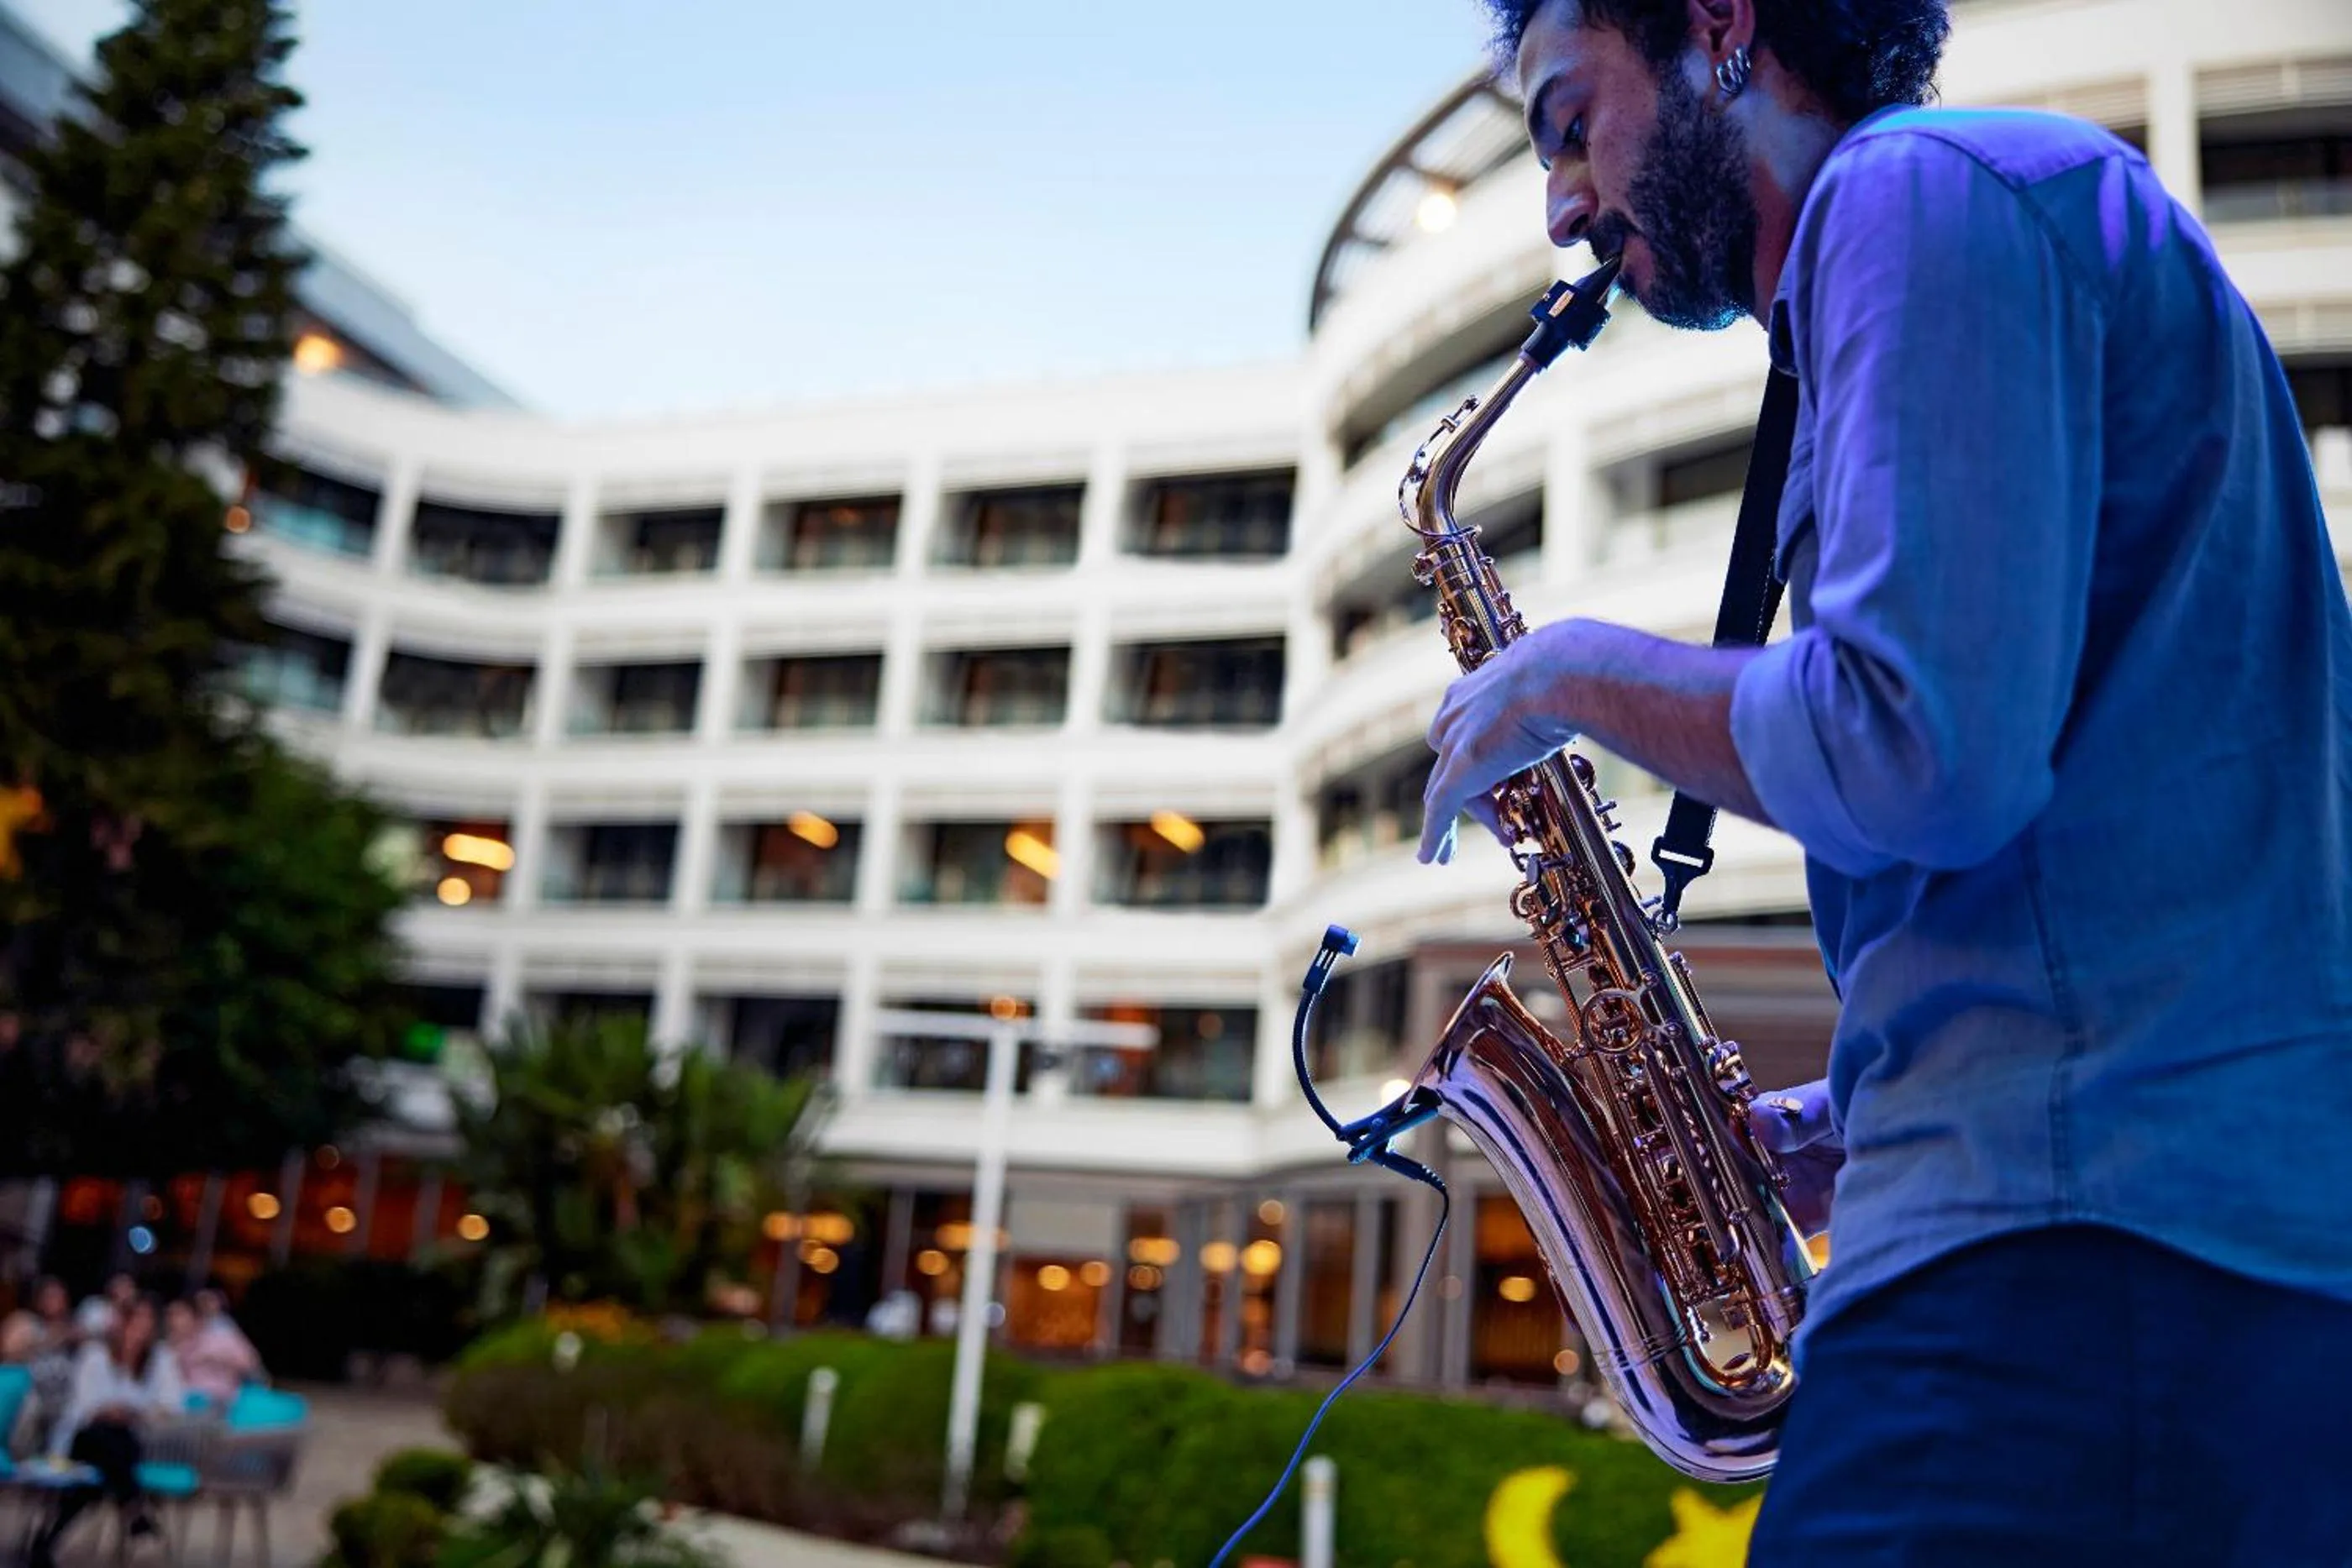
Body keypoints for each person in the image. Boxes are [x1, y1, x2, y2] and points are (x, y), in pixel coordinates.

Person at [1416, 0, 2352, 1559]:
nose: (1563, 204)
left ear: (1720, 23)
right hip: (2179, 1284)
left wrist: (1569, 674)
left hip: (2058, 1288)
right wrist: (1855, 1115)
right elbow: (2084, 831)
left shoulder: (1912, 193)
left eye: (1573, 123)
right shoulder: (1985, 214)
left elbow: (1924, 749)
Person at [30, 1295, 184, 1568]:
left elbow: (171, 1404)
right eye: (135, 1321)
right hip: (87, 1439)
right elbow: (85, 1408)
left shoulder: (160, 1360)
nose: (140, 1330)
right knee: (106, 1436)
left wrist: (133, 1413)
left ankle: (46, 1542)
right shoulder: (95, 1357)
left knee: (98, 1476)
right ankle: (134, 1508)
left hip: (127, 1445)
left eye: (146, 1322)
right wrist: (115, 1412)